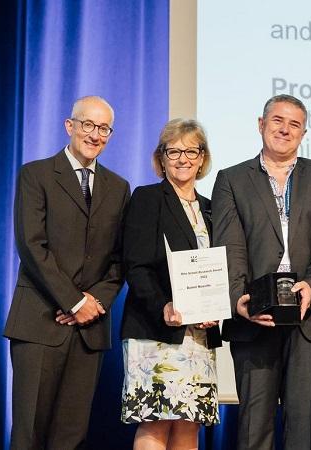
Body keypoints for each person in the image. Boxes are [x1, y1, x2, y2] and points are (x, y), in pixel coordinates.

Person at [211, 94, 311, 450]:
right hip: (254, 314)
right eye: (277, 121)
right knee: (254, 425)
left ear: (303, 133)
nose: (285, 130)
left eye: (294, 124)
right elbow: (230, 248)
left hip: (310, 316)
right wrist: (240, 301)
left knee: (302, 426)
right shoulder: (232, 179)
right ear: (261, 124)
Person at [4, 96, 130, 449]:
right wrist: (74, 302)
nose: (95, 135)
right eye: (88, 125)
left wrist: (94, 303)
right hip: (40, 324)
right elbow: (31, 246)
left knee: (71, 437)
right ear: (69, 126)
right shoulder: (36, 174)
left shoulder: (119, 188)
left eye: (104, 128)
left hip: (89, 331)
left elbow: (120, 259)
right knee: (29, 434)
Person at [120, 119, 222, 449]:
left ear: (203, 157)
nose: (183, 158)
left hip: (198, 335)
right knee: (156, 424)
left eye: (191, 150)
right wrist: (162, 304)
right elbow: (135, 265)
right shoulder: (148, 198)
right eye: (173, 150)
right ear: (161, 157)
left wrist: (215, 310)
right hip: (156, 331)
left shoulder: (211, 208)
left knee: (188, 425)